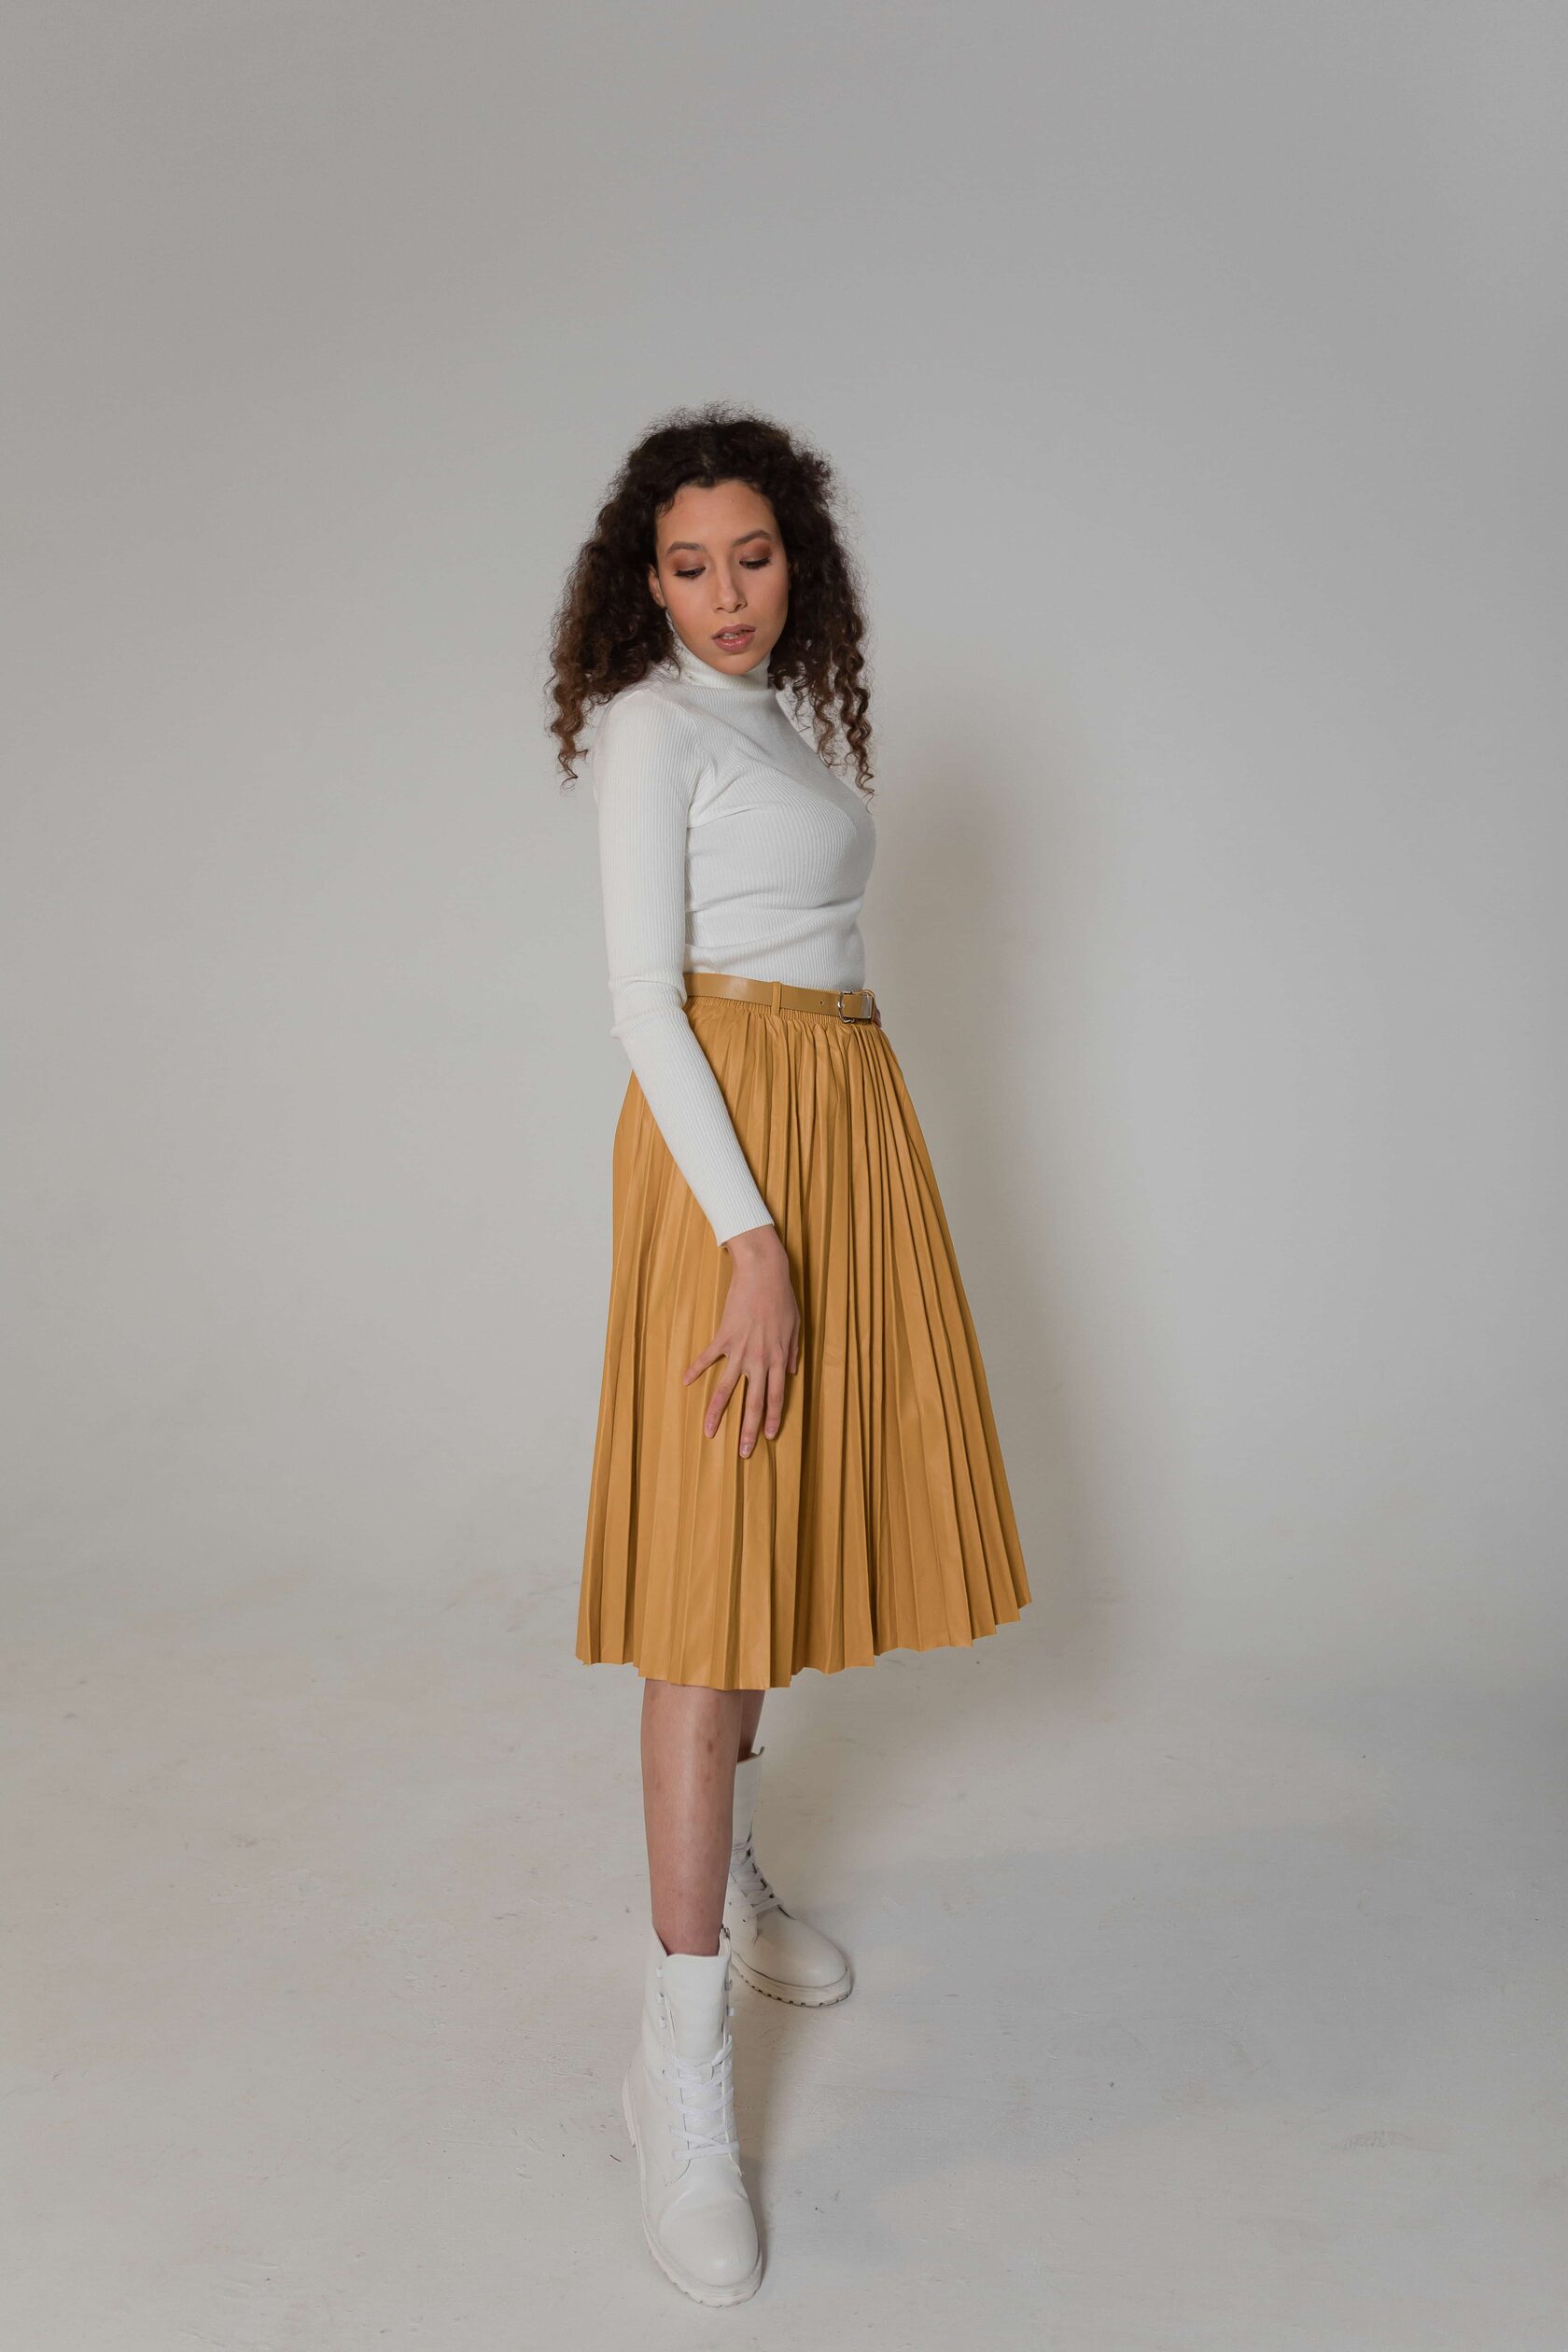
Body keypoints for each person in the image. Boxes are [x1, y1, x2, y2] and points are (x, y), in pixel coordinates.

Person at [548, 402, 1030, 2305]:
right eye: (689, 566)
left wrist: (833, 1189)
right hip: (731, 1149)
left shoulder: (780, 726)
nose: (725, 593)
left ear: (795, 561)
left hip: (839, 1117)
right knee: (707, 1578)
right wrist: (751, 1237)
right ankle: (676, 2064)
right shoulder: (653, 726)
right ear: (646, 584)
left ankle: (729, 1878)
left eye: (751, 557)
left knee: (775, 1534)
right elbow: (642, 1001)